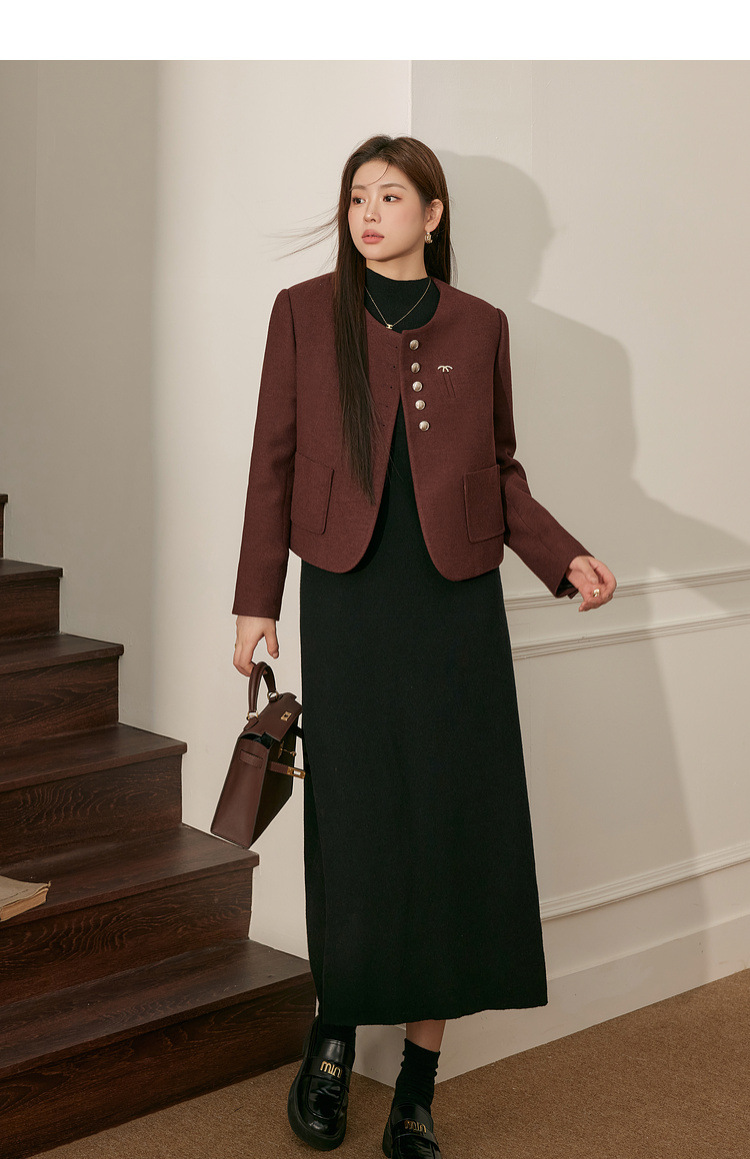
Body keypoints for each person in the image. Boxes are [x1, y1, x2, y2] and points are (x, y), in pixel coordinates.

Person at [232, 134, 616, 1159]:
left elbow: (499, 467)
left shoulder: (481, 324)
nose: (368, 213)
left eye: (390, 196)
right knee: (357, 827)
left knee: (450, 827)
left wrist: (564, 556)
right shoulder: (302, 313)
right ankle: (331, 1038)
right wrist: (255, 600)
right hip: (348, 594)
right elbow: (272, 460)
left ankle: (417, 1083)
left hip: (454, 601)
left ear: (433, 214)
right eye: (357, 196)